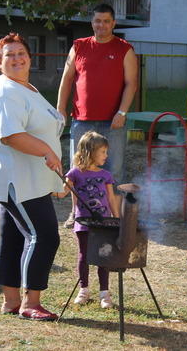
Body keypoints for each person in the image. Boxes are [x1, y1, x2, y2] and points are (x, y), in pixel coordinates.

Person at [0, 32, 65, 321]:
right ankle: (31, 303)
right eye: (9, 55)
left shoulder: (23, 87)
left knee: (14, 237)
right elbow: (11, 135)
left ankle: (12, 301)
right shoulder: (6, 92)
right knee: (45, 236)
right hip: (18, 178)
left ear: (30, 57)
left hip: (31, 176)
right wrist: (47, 151)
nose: (16, 58)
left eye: (20, 53)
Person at [57, 3, 139, 227]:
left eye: (106, 21)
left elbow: (132, 84)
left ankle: (114, 217)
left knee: (113, 170)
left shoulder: (124, 49)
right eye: (97, 21)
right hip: (81, 120)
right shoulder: (79, 46)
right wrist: (60, 108)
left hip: (113, 122)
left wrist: (122, 111)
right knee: (78, 171)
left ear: (113, 23)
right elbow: (66, 80)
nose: (101, 25)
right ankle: (77, 214)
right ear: (92, 23)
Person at [60, 131, 120, 308]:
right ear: (91, 152)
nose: (106, 156)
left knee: (103, 256)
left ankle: (104, 293)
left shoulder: (106, 175)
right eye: (103, 152)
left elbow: (111, 198)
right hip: (83, 222)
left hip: (103, 223)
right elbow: (63, 192)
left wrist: (116, 219)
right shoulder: (75, 173)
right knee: (83, 255)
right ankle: (83, 290)